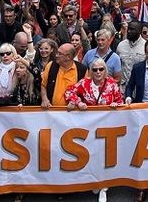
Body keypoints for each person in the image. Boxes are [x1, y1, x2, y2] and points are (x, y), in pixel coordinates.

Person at [64, 57, 122, 202]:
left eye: (101, 69)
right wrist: (77, 102)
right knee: (92, 155)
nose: (98, 72)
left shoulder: (112, 84)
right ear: (90, 71)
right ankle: (95, 181)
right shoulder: (84, 83)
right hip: (89, 127)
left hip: (107, 126)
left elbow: (120, 100)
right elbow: (69, 92)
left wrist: (115, 104)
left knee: (105, 156)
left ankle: (104, 186)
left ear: (105, 70)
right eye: (94, 69)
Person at [40, 43, 87, 108]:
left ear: (68, 57)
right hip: (52, 112)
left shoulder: (82, 70)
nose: (56, 55)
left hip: (74, 113)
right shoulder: (50, 66)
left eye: (60, 53)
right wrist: (44, 99)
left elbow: (86, 93)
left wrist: (77, 102)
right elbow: (43, 85)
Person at [116, 21, 146, 91]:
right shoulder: (121, 45)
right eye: (128, 29)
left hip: (138, 88)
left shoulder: (145, 46)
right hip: (123, 88)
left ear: (139, 31)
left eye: (132, 29)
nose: (129, 31)